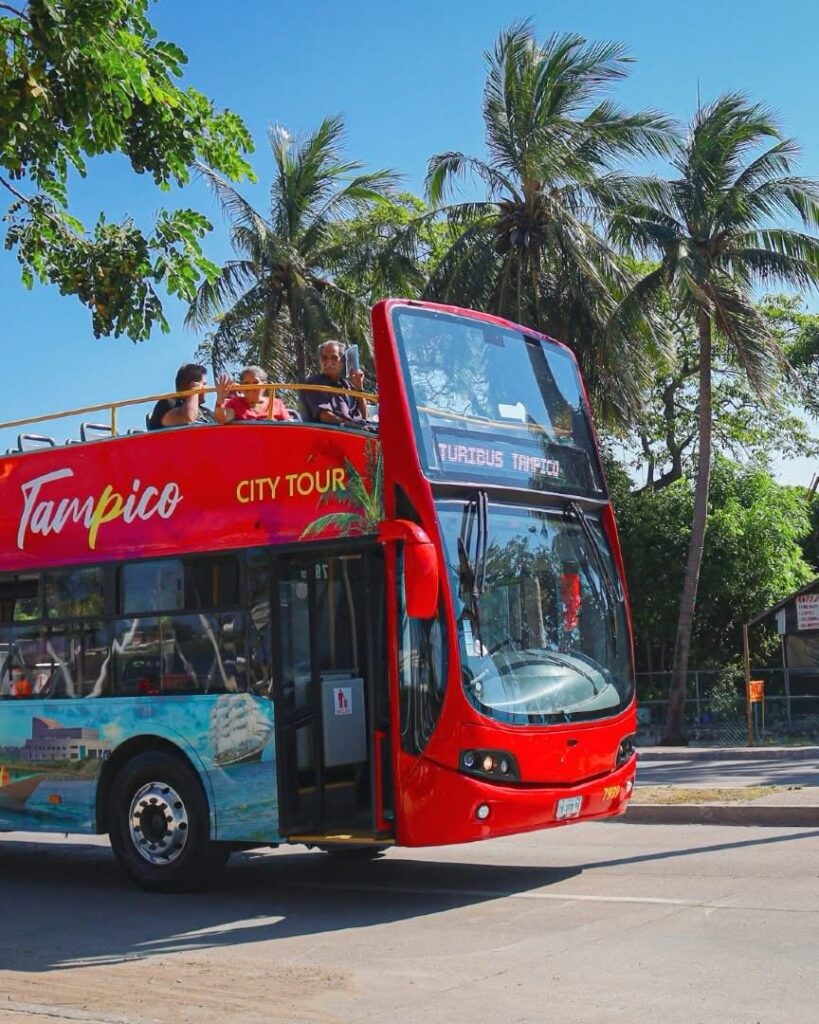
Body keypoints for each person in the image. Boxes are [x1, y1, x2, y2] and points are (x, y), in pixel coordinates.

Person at [302, 340, 368, 426]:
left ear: (342, 362)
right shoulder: (314, 384)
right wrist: (349, 425)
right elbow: (325, 416)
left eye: (334, 358)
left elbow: (364, 417)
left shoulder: (347, 386)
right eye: (325, 358)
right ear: (320, 361)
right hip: (330, 432)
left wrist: (359, 386)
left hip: (354, 431)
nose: (329, 362)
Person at [148, 363, 214, 430]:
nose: (207, 388)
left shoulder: (205, 411)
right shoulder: (169, 404)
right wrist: (194, 391)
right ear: (193, 384)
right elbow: (188, 418)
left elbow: (219, 423)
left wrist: (220, 399)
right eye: (204, 384)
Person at [214, 366, 289, 423]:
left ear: (264, 385)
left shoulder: (276, 403)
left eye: (255, 382)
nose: (251, 386)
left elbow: (288, 426)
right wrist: (220, 399)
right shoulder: (235, 403)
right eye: (246, 383)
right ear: (241, 386)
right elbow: (222, 420)